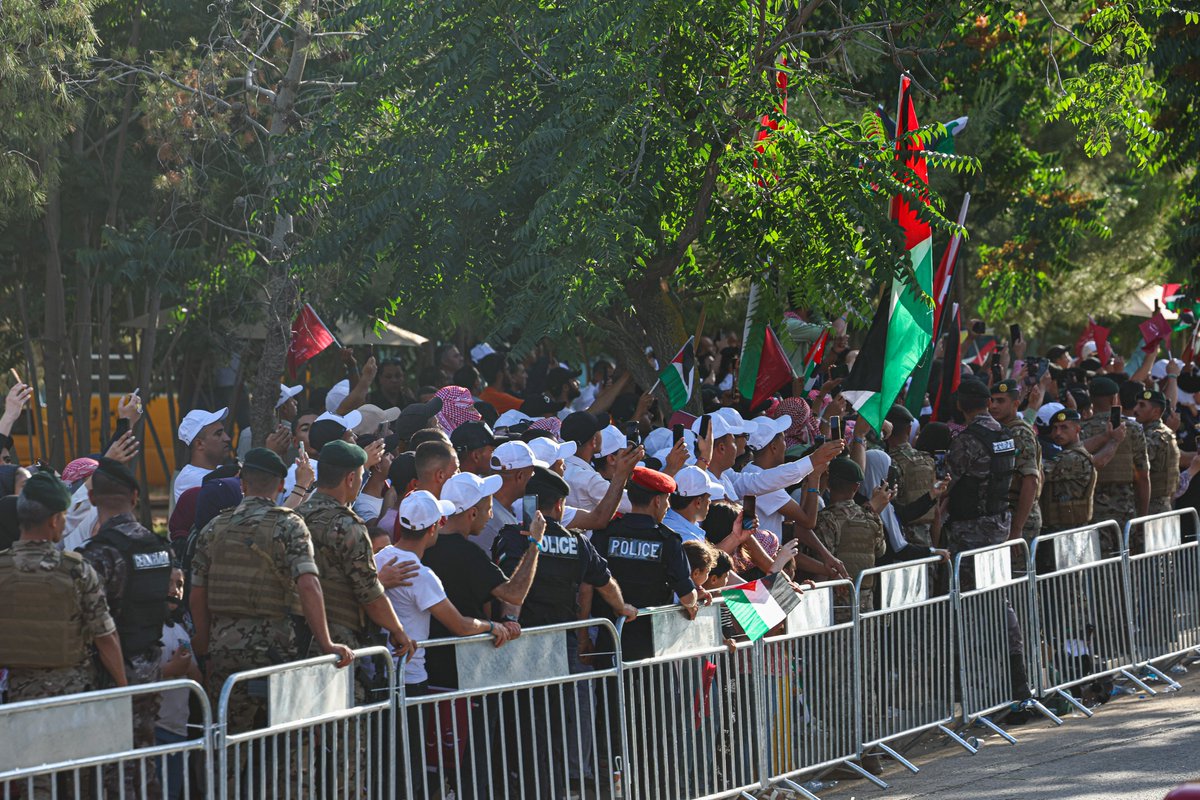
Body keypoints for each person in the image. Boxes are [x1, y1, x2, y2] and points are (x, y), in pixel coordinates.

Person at [189, 448, 354, 742]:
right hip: (277, 653)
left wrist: (203, 643)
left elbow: (197, 591)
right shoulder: (289, 525)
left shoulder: (214, 528)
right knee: (285, 750)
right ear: (281, 485)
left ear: (242, 483)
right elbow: (308, 584)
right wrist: (326, 641)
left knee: (229, 748)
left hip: (225, 653)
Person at [492, 466, 638, 793]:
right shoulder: (576, 542)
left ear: (532, 502)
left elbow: (500, 589)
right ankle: (555, 787)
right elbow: (603, 580)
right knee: (556, 721)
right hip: (559, 643)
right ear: (559, 505)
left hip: (520, 642)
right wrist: (621, 608)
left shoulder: (513, 538)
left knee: (523, 722)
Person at [376, 487, 510, 799]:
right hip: (409, 682)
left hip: (383, 678)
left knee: (392, 769)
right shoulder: (420, 574)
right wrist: (493, 626)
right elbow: (460, 625)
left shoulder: (380, 559)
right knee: (407, 771)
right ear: (434, 527)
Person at [0, 472, 128, 799]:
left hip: (21, 697)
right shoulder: (75, 569)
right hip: (74, 701)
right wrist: (123, 689)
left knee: (33, 785)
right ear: (56, 521)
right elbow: (105, 636)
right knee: (79, 785)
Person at [79, 457, 174, 797]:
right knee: (144, 760)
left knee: (110, 772)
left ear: (92, 499)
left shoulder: (98, 555)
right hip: (150, 668)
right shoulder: (158, 548)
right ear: (135, 496)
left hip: (109, 676)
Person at [297, 440, 417, 663]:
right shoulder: (348, 526)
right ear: (351, 478)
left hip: (294, 639)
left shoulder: (295, 517)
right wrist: (398, 630)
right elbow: (369, 591)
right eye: (362, 475)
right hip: (339, 642)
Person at [591, 466, 702, 661]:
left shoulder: (607, 533)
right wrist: (693, 602)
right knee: (654, 692)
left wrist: (584, 636)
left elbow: (586, 585)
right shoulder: (667, 540)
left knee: (610, 691)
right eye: (666, 499)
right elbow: (686, 595)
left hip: (609, 637)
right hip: (651, 642)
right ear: (657, 501)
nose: (667, 506)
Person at [1081, 376, 1150, 553]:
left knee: (1101, 567)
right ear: (1115, 399)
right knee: (1128, 565)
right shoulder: (1132, 429)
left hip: (1093, 512)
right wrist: (1143, 516)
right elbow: (1143, 476)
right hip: (1126, 509)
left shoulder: (1080, 430)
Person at [813, 458, 886, 614]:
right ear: (856, 487)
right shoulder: (871, 517)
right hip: (865, 599)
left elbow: (820, 559)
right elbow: (881, 551)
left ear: (829, 484)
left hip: (834, 600)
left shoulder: (826, 518)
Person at [156, 567, 202, 800]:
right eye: (168, 583)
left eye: (180, 584)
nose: (174, 590)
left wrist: (187, 668)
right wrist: (171, 669)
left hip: (178, 728)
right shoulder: (147, 630)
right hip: (154, 728)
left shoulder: (181, 630)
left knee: (172, 792)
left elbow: (195, 676)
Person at [988, 380, 1044, 542]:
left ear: (1015, 404)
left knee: (1017, 567)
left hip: (1019, 517)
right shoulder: (1002, 430)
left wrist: (1018, 528)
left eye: (1001, 401)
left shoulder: (1019, 433)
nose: (994, 406)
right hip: (1006, 515)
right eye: (992, 400)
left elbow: (1031, 480)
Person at [884, 405, 938, 547]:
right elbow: (936, 510)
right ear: (909, 429)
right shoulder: (927, 461)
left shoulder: (889, 463)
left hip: (902, 541)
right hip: (927, 540)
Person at [1039, 409, 1100, 535]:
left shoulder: (1072, 457)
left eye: (1064, 428)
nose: (1058, 433)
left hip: (1066, 529)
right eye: (1054, 428)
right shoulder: (1070, 453)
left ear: (1077, 429)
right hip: (1064, 527)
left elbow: (1038, 472)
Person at [1134, 388, 1181, 517]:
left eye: (1142, 405)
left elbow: (1137, 462)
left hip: (1153, 506)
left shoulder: (1156, 435)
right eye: (1137, 404)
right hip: (1157, 504)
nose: (1135, 409)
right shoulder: (1163, 431)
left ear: (1156, 412)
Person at [174, 407, 231, 502]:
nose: (227, 438)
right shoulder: (189, 478)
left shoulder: (219, 471)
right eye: (218, 434)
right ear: (199, 444)